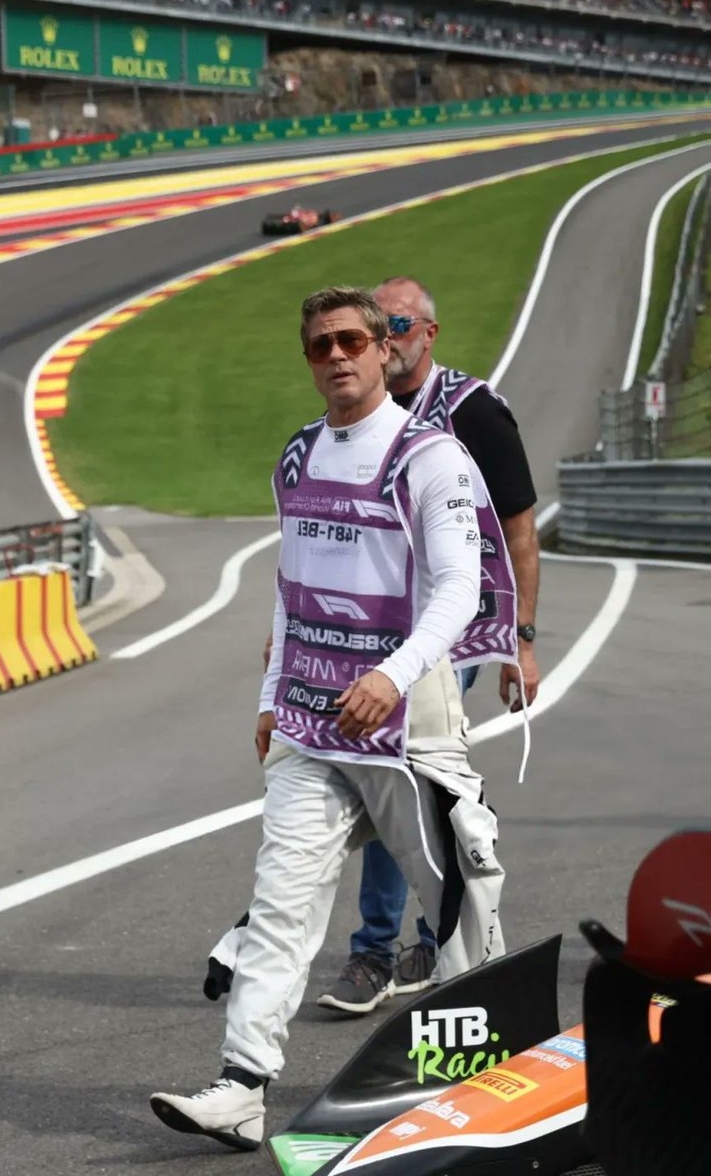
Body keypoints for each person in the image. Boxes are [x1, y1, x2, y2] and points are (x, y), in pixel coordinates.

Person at [150, 286, 518, 1151]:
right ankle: (242, 1088)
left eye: (353, 339)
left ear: (385, 349)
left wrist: (392, 677)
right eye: (321, 346)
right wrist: (272, 696)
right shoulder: (296, 458)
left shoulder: (430, 458)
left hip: (409, 723)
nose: (339, 356)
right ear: (309, 359)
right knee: (280, 903)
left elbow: (459, 591)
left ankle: (494, 1082)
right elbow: (289, 590)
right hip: (312, 727)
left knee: (461, 901)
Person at [317, 275, 540, 1015]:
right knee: (381, 779)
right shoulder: (361, 415)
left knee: (408, 780)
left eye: (399, 324)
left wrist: (522, 641)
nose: (388, 337)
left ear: (427, 333)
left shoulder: (472, 412)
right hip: (367, 635)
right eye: (378, 326)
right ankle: (388, 949)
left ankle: (416, 944)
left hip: (455, 634)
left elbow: (518, 532)